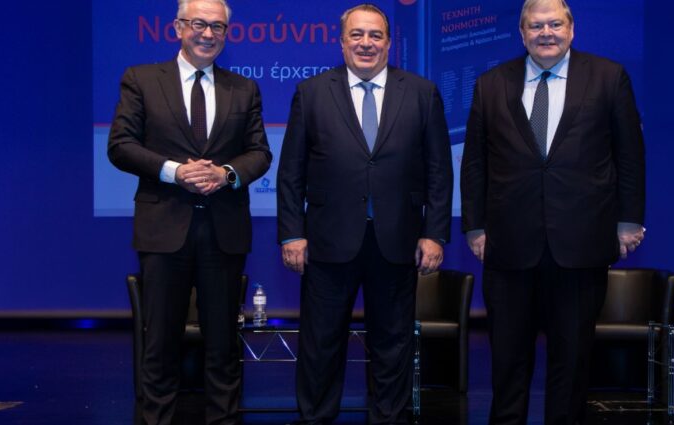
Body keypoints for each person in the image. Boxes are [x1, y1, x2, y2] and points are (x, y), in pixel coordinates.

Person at [460, 0, 646, 423]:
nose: (546, 33)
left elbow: (630, 156)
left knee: (573, 361)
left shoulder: (608, 76)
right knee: (508, 362)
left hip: (581, 244)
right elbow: (474, 163)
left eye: (555, 24)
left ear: (572, 29)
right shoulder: (490, 83)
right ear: (522, 33)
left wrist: (628, 220)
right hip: (508, 246)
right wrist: (474, 227)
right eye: (536, 25)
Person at [277, 4, 453, 424]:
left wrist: (434, 233)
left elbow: (439, 171)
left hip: (398, 240)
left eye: (375, 35)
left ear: (389, 43)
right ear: (341, 42)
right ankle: (316, 418)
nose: (366, 43)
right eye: (356, 34)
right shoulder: (311, 92)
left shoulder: (422, 92)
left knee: (393, 343)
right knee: (321, 343)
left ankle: (388, 419)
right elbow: (291, 171)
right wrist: (292, 233)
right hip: (327, 240)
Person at [107, 0, 271, 423]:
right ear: (178, 27)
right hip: (163, 229)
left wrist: (226, 174)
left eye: (218, 27)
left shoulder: (244, 88)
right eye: (199, 24)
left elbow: (259, 153)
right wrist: (174, 171)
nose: (208, 34)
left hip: (224, 232)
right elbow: (121, 146)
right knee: (160, 344)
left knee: (224, 346)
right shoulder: (142, 79)